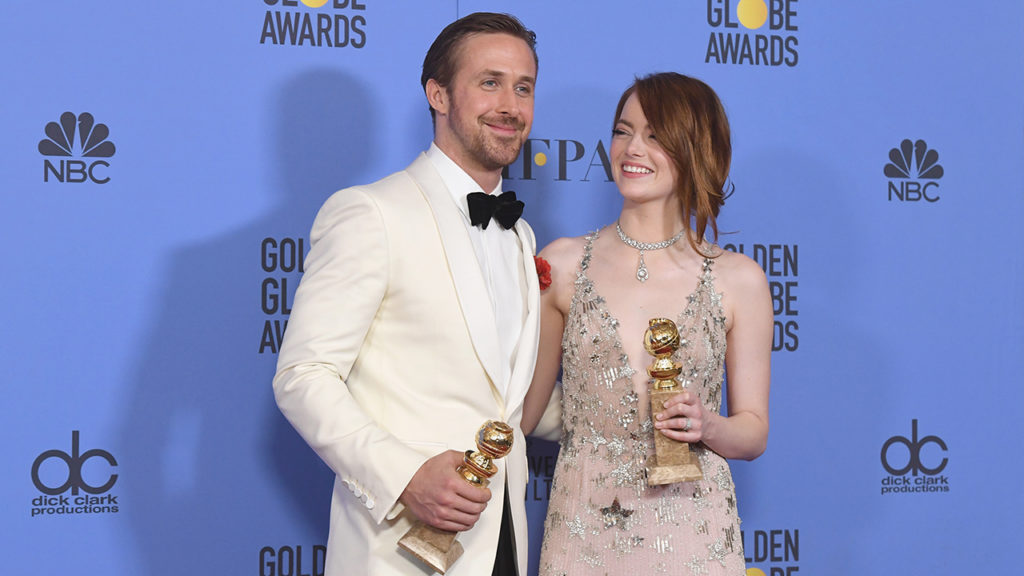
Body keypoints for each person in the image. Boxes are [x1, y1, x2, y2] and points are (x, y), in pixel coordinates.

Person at [273, 12, 552, 576]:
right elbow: (303, 377)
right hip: (397, 552)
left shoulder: (521, 235)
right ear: (438, 94)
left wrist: (632, 405)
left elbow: (508, 399)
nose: (510, 106)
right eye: (489, 82)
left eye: (523, 88)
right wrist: (405, 476)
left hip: (502, 544)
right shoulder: (370, 213)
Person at [522, 72, 772, 575]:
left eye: (656, 135)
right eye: (623, 130)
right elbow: (523, 410)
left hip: (692, 527)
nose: (633, 147)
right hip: (582, 524)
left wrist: (709, 424)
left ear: (696, 148)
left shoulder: (739, 279)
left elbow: (754, 432)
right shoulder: (563, 264)